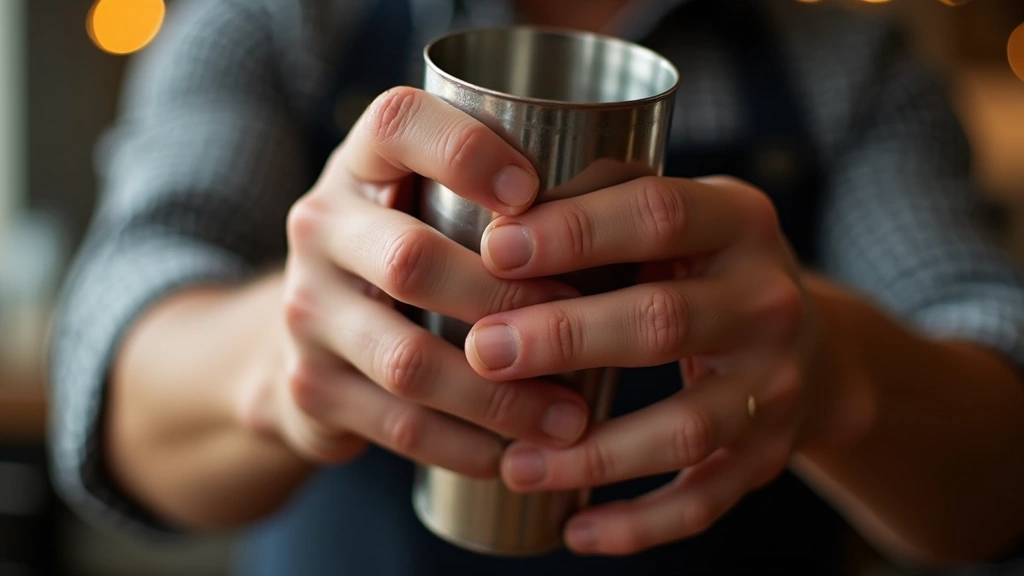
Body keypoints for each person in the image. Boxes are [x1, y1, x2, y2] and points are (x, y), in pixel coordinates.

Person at [50, 0, 1024, 574]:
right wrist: (280, 359)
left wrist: (836, 367)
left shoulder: (852, 64)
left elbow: (1001, 457)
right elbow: (111, 346)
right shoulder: (281, 20)